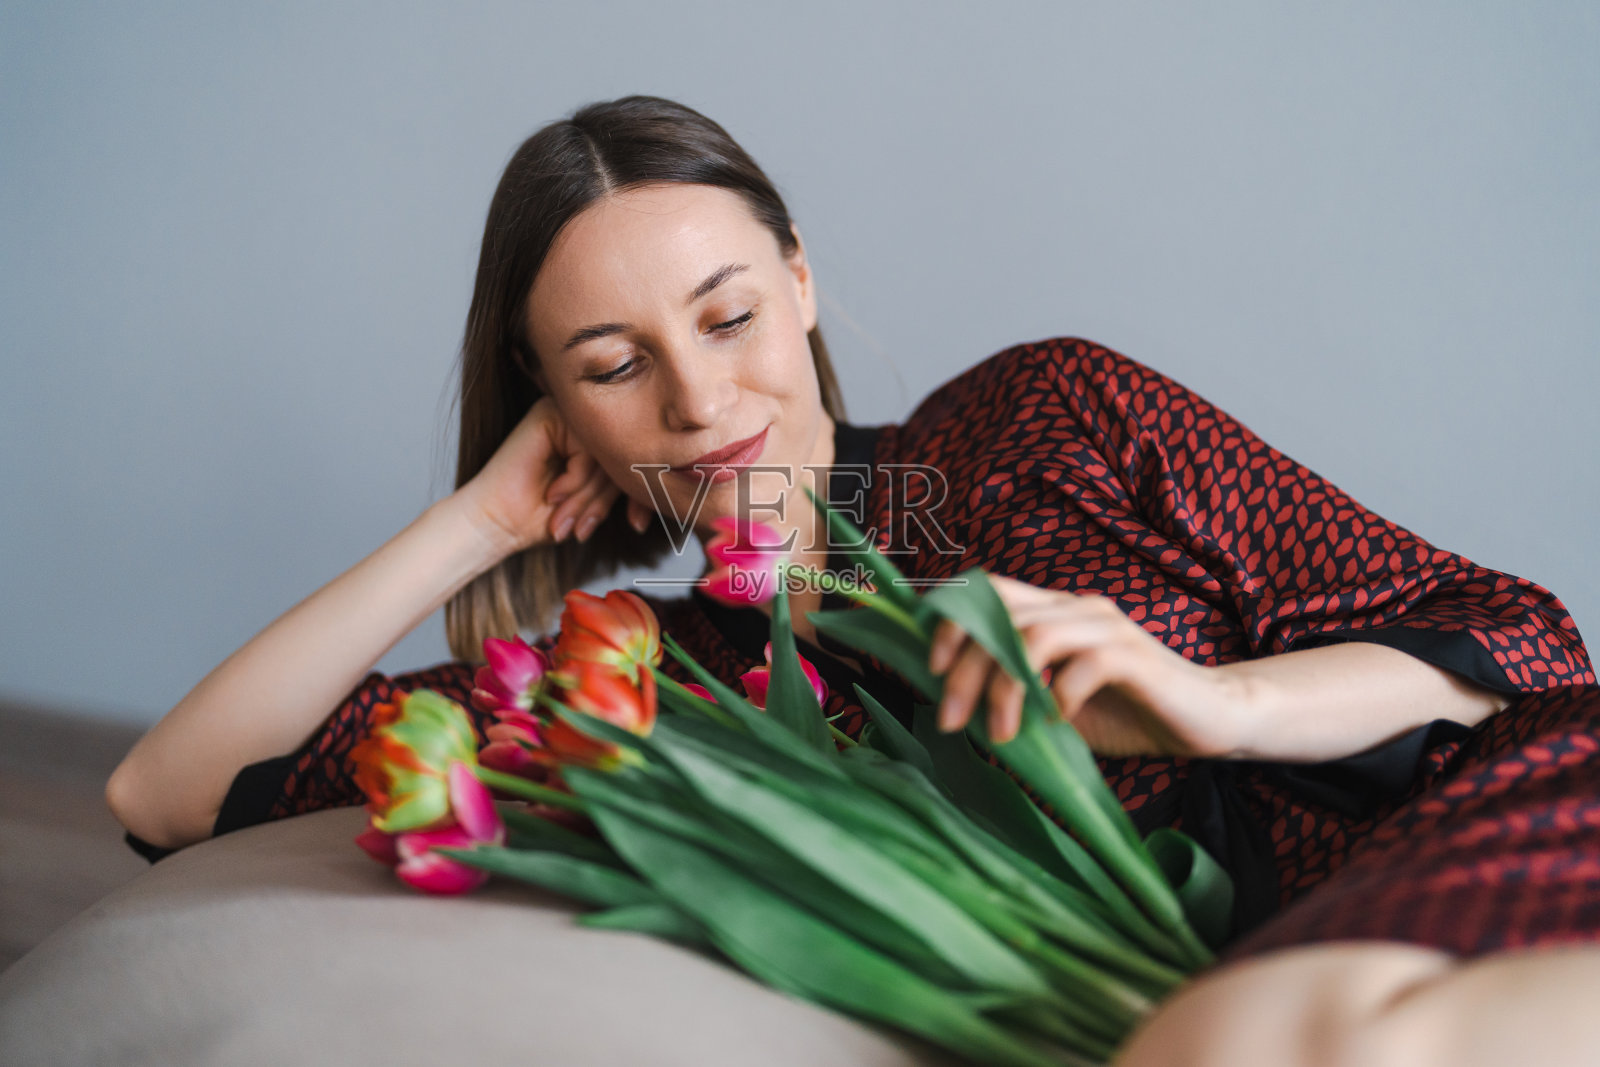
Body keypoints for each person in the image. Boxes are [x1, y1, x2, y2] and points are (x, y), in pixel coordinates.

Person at [107, 94, 1600, 1063]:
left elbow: (1518, 638)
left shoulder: (1039, 419)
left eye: (730, 313)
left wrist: (1215, 706)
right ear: (553, 404)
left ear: (803, 280)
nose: (699, 405)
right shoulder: (661, 689)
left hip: (1506, 821)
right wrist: (484, 519)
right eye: (615, 367)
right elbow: (169, 797)